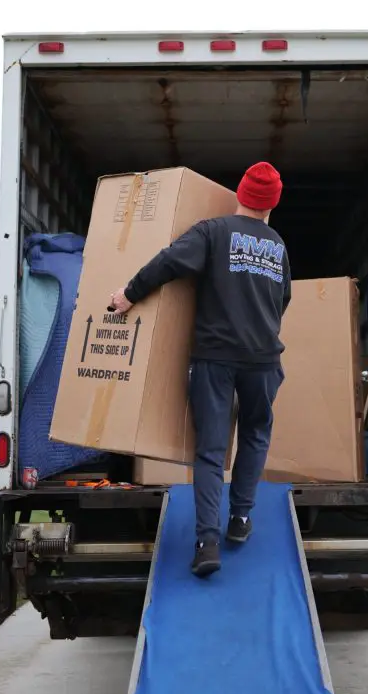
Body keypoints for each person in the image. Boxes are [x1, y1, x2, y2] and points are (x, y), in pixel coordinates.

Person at [110, 162, 291, 577]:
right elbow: (283, 299)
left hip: (215, 357)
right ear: (272, 205)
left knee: (210, 451)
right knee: (255, 434)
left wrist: (128, 294)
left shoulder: (214, 231)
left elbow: (169, 262)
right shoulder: (278, 246)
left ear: (241, 195)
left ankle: (207, 543)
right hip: (263, 358)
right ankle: (241, 519)